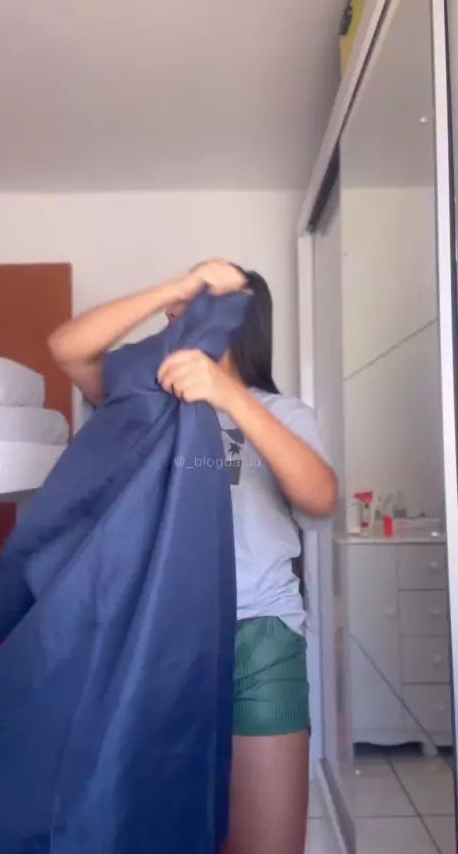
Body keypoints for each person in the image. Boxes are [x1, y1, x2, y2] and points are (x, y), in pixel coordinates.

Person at [49, 259, 337, 854]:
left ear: (240, 320)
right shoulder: (139, 404)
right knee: (166, 830)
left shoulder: (283, 414)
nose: (176, 316)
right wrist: (177, 286)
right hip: (155, 638)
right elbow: (67, 349)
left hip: (258, 638)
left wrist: (228, 393)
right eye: (177, 308)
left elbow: (320, 498)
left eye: (201, 303)